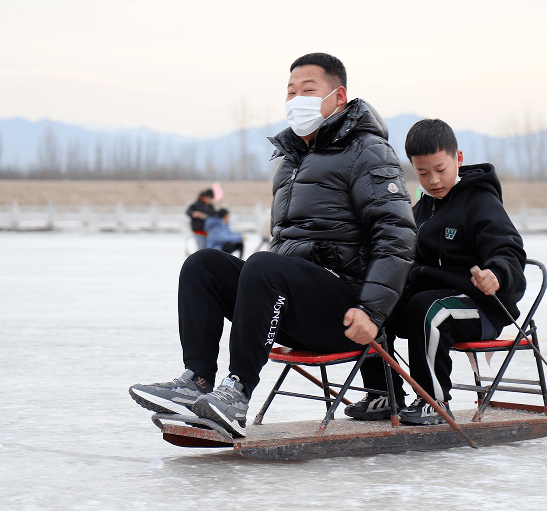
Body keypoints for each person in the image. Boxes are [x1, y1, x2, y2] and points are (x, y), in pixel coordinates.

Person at [129, 53, 417, 438]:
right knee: (204, 265)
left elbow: (397, 235)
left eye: (308, 90)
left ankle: (237, 395)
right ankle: (195, 380)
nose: (296, 99)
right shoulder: (290, 159)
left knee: (263, 265)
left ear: (338, 97)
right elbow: (285, 243)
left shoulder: (367, 151)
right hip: (291, 301)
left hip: (343, 310)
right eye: (291, 92)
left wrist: (372, 312)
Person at [345, 119, 527, 425]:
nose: (434, 180)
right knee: (375, 303)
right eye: (423, 173)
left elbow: (509, 251)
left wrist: (496, 274)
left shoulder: (480, 201)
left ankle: (432, 400)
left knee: (428, 309)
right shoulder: (421, 209)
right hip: (432, 297)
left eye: (440, 170)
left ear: (458, 159)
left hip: (482, 305)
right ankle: (383, 393)